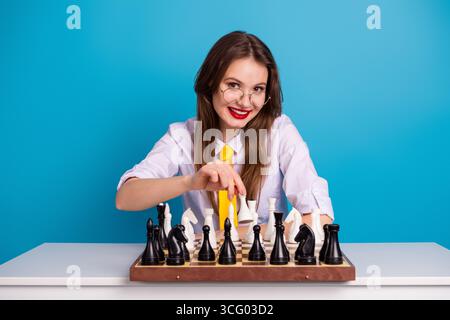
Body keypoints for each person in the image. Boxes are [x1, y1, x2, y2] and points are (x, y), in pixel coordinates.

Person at [116, 31, 334, 233]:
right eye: (234, 85)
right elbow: (125, 198)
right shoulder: (183, 136)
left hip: (266, 268)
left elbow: (320, 219)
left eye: (257, 89)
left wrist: (227, 238)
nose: (245, 102)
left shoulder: (279, 132)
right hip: (206, 271)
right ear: (211, 82)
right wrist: (191, 182)